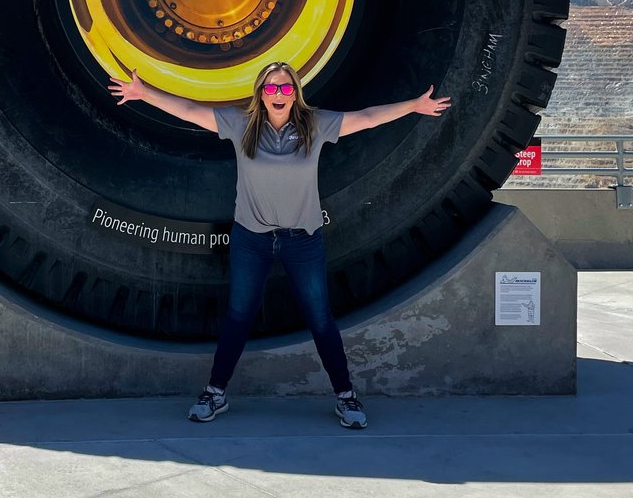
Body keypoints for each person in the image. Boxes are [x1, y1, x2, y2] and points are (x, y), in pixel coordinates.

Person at [109, 59, 451, 429]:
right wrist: (144, 93)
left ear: (295, 94)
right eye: (271, 87)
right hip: (251, 240)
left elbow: (366, 117)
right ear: (260, 93)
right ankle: (214, 392)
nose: (278, 94)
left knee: (320, 318)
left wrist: (413, 106)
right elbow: (191, 111)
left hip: (301, 242)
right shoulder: (242, 126)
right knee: (239, 316)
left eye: (286, 88)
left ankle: (346, 397)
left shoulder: (314, 125)